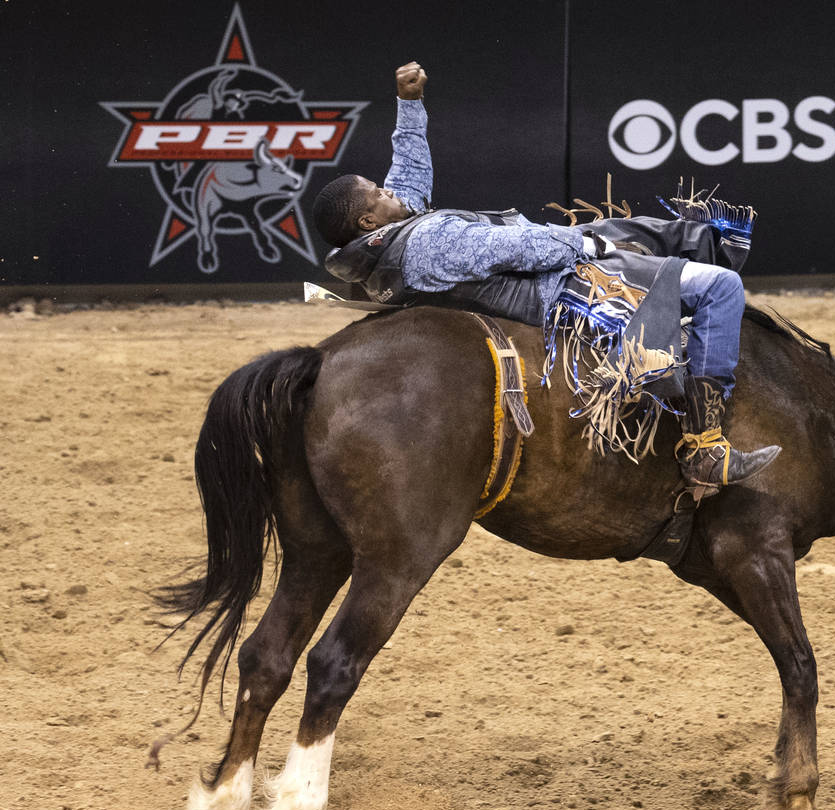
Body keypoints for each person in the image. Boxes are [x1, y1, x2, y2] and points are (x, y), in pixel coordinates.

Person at [312, 62, 779, 493]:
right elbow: (517, 248)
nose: (388, 187)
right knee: (720, 287)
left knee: (642, 233)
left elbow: (409, 182)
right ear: (370, 223)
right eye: (378, 192)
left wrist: (409, 104)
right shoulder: (430, 241)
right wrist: (588, 245)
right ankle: (704, 446)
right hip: (561, 285)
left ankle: (708, 276)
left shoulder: (389, 245)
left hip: (544, 264)